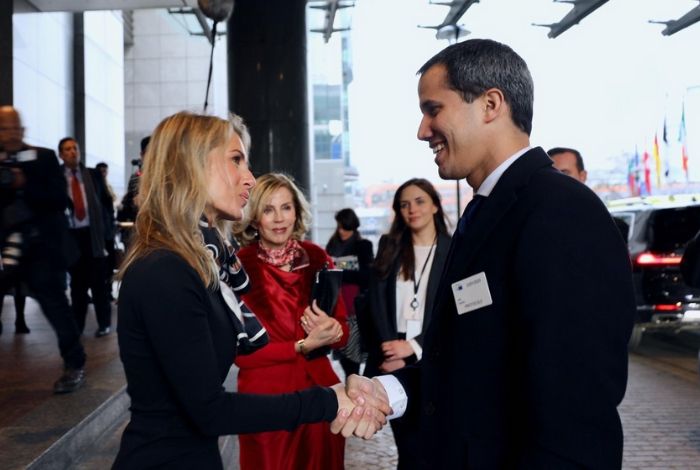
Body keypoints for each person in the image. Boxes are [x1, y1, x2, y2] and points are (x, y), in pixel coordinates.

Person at [338, 39, 636, 469]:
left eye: (433, 109)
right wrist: (389, 390)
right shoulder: (488, 210)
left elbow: (574, 406)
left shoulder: (562, 211)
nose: (422, 130)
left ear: (490, 104)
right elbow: (472, 362)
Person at [114, 112, 387, 469]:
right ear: (192, 166)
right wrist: (329, 400)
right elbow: (209, 410)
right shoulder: (166, 269)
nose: (250, 179)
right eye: (236, 159)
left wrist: (332, 335)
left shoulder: (205, 262)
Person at [234, 172, 350, 470]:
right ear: (254, 217)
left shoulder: (317, 257)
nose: (278, 218)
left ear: (296, 212)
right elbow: (240, 355)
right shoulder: (239, 266)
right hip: (266, 402)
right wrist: (301, 345)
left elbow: (344, 332)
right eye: (268, 209)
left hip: (320, 396)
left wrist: (332, 329)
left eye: (286, 207)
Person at [363, 178, 450, 468]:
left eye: (420, 201)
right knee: (408, 446)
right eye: (404, 204)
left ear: (435, 205)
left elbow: (455, 313)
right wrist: (391, 352)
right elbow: (376, 302)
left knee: (436, 444)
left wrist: (413, 348)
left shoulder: (454, 250)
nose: (412, 209)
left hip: (435, 353)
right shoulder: (389, 247)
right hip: (391, 356)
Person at [0, 105, 86, 393]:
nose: (10, 133)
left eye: (14, 127)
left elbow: (60, 199)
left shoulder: (43, 157)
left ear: (22, 130)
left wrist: (25, 184)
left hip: (43, 250)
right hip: (9, 248)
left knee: (55, 307)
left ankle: (75, 365)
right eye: (3, 128)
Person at [58, 138, 115, 337]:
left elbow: (107, 203)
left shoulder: (92, 175)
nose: (72, 152)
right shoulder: (57, 177)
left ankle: (104, 324)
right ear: (61, 155)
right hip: (72, 237)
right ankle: (78, 326)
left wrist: (108, 230)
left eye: (75, 148)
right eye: (67, 149)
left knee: (99, 284)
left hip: (94, 236)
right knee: (78, 286)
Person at [325, 207, 374, 377]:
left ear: (353, 226)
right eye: (339, 227)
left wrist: (339, 272)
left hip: (355, 309)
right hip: (337, 307)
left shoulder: (363, 246)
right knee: (342, 355)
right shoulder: (332, 245)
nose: (341, 231)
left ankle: (354, 386)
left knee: (353, 357)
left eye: (345, 227)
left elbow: (367, 276)